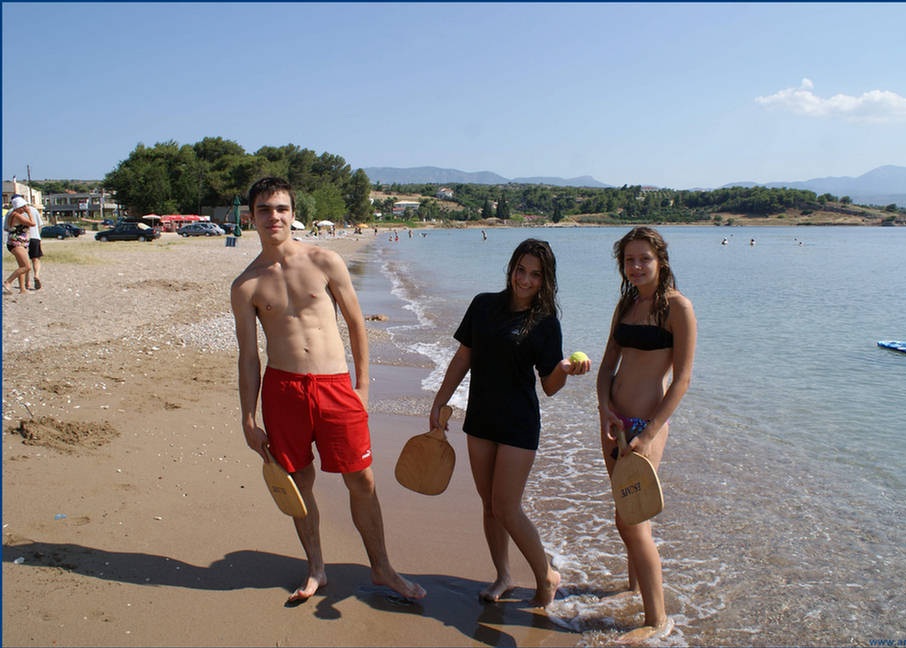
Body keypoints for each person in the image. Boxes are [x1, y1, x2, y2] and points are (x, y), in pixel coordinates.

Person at [231, 177, 425, 604]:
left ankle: (382, 567)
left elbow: (356, 323)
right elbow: (249, 357)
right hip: (283, 390)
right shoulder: (246, 285)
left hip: (335, 386)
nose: (273, 216)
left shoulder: (324, 260)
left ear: (293, 213)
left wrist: (363, 387)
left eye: (281, 208)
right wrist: (248, 418)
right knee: (298, 482)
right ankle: (316, 567)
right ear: (252, 217)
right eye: (264, 209)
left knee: (362, 479)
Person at [430, 238, 590, 607]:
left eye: (535, 275)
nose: (525, 280)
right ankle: (503, 576)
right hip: (481, 418)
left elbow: (550, 386)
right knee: (489, 505)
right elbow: (463, 357)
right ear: (511, 269)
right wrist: (440, 401)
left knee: (506, 506)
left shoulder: (546, 324)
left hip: (519, 423)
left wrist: (565, 369)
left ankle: (546, 575)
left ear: (545, 280)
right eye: (521, 270)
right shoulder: (483, 305)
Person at [596, 226, 696, 642]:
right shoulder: (626, 304)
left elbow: (682, 380)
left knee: (633, 521)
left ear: (661, 261)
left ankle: (657, 620)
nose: (636, 267)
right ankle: (633, 589)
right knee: (625, 517)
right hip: (614, 424)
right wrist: (604, 409)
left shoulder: (678, 308)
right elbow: (607, 367)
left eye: (644, 259)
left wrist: (650, 433)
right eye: (629, 260)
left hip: (645, 428)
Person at [3, 196, 35, 294]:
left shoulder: (12, 214)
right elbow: (32, 223)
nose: (24, 209)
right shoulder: (17, 215)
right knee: (27, 266)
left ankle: (22, 289)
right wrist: (29, 213)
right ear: (19, 207)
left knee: (21, 266)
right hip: (16, 243)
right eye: (23, 207)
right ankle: (8, 281)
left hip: (17, 242)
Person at [25, 199, 44, 289]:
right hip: (35, 237)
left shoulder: (14, 212)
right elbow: (40, 225)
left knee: (24, 262)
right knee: (36, 259)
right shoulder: (33, 210)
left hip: (23, 238)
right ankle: (36, 275)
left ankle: (27, 282)